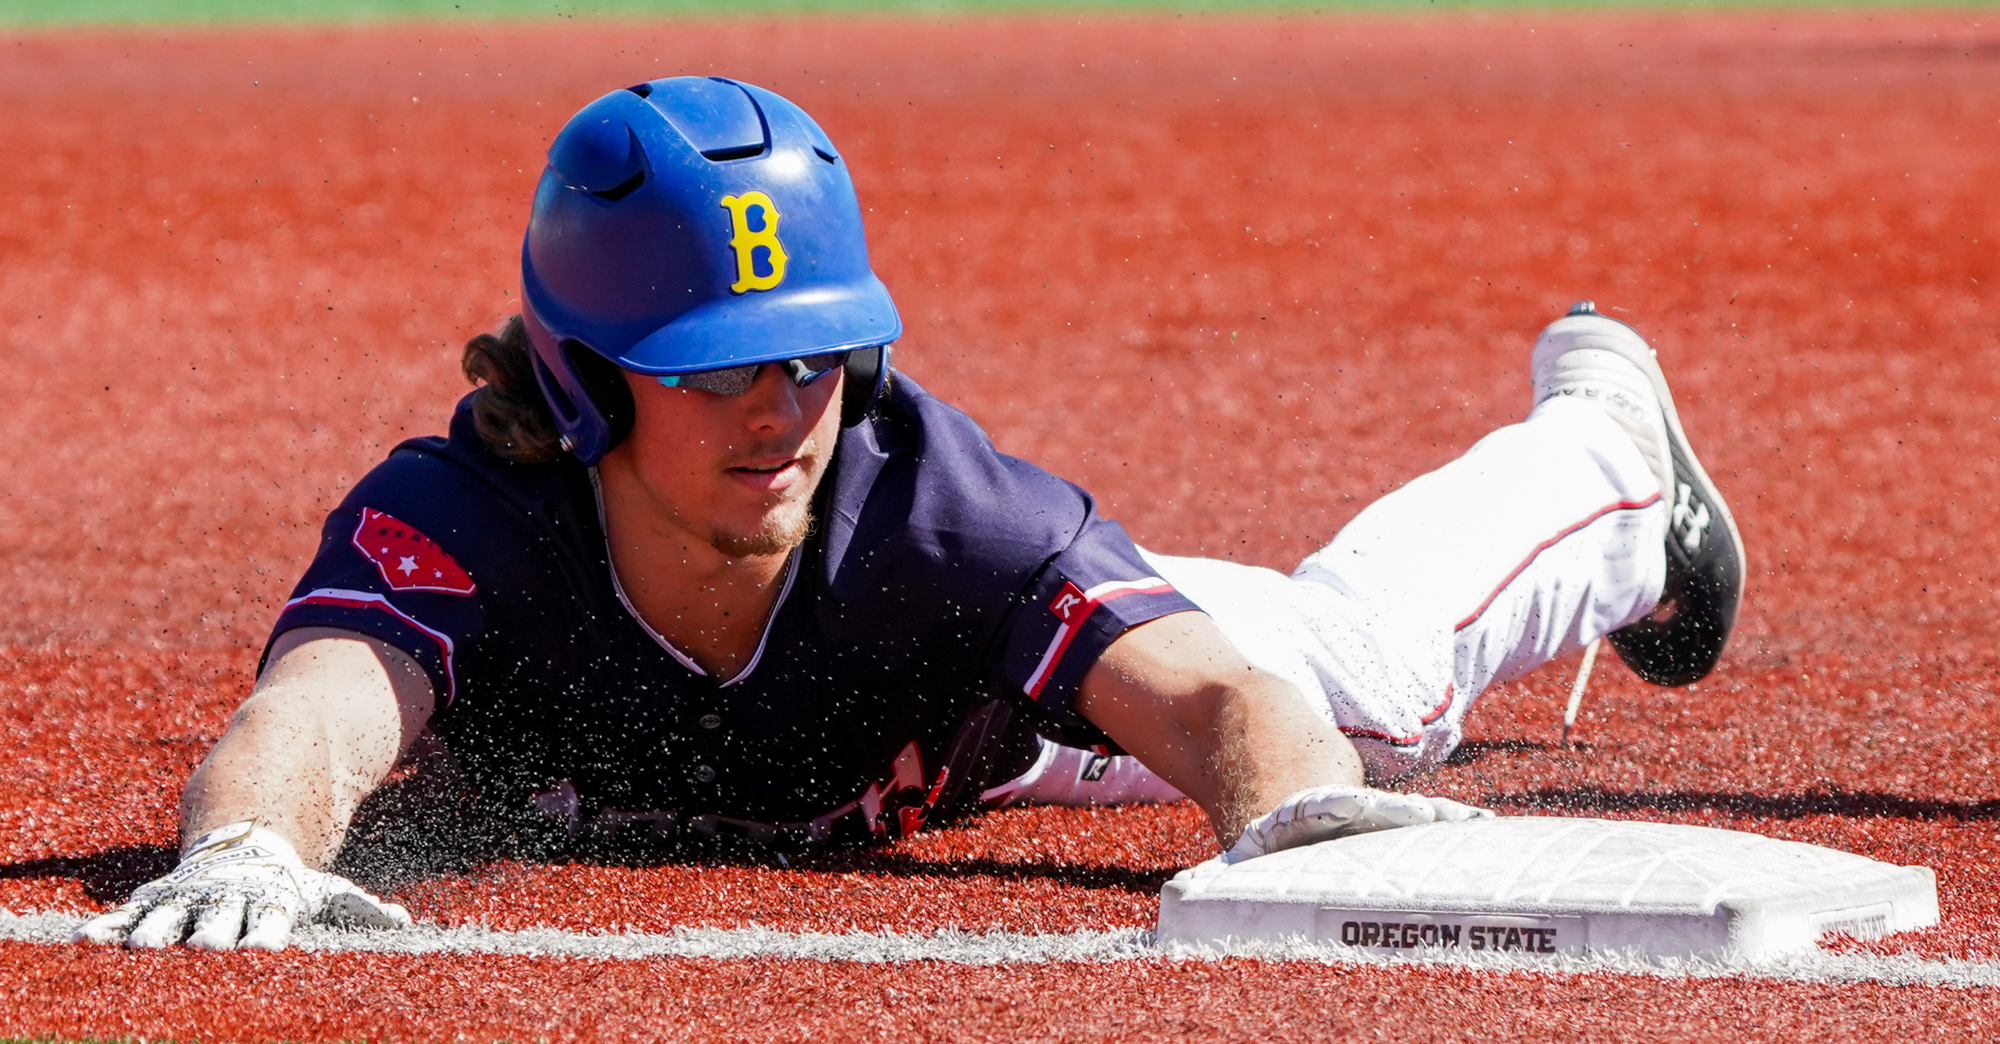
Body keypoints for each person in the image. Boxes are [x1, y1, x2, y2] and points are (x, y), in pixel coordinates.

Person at [74, 77, 1743, 951]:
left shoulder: (940, 514)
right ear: (582, 380)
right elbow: (310, 714)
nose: (780, 409)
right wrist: (251, 848)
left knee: (1368, 701)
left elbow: (1225, 702)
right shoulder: (466, 520)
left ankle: (1605, 464)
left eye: (814, 358)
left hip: (1012, 733)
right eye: (715, 368)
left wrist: (1283, 810)